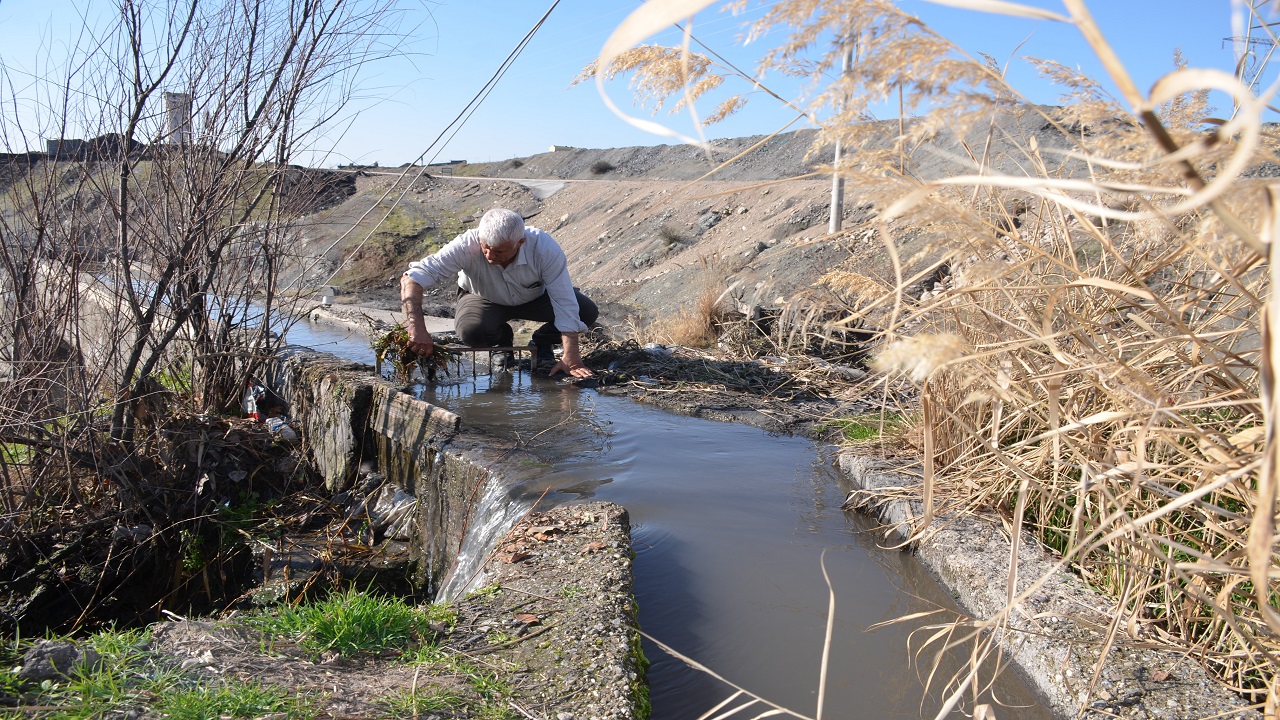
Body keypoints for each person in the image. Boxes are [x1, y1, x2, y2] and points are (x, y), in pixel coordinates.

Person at [400, 207, 597, 378]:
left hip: (534, 297)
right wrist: (416, 326)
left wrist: (572, 356)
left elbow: (563, 298)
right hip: (483, 296)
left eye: (499, 252)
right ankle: (502, 342)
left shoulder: (544, 248)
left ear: (520, 243)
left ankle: (543, 341)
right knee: (471, 332)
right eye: (485, 248)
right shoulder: (465, 245)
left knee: (585, 311)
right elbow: (413, 277)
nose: (489, 256)